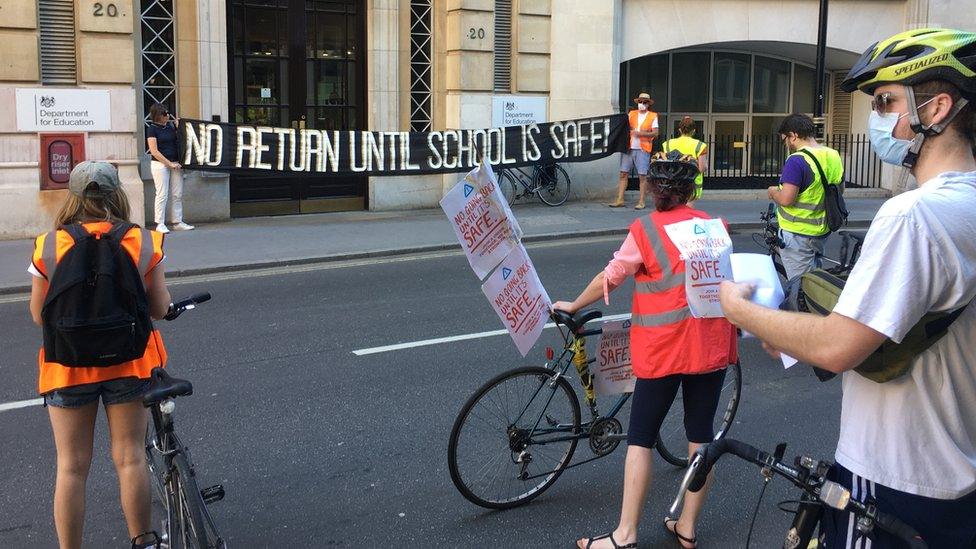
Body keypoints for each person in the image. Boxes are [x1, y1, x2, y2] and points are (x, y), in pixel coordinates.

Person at [719, 28, 976, 548]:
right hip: (959, 467)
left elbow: (837, 347)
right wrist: (795, 334)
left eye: (886, 101)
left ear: (937, 106)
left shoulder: (916, 215)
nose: (878, 116)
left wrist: (738, 310)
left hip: (896, 478)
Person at [556, 152, 738, 549]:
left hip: (664, 352)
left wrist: (573, 305)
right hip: (709, 349)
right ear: (691, 190)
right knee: (700, 436)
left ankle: (625, 534)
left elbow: (612, 275)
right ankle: (687, 528)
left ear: (653, 189)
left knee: (640, 439)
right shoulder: (715, 227)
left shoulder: (646, 229)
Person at [29, 162, 171, 549]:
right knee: (130, 458)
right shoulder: (142, 241)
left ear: (73, 197)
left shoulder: (49, 245)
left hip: (67, 367)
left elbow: (38, 314)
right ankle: (142, 541)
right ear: (116, 195)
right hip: (130, 362)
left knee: (71, 467)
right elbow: (158, 308)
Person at [767, 113, 843, 281]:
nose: (786, 143)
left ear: (793, 135)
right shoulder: (833, 155)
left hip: (797, 233)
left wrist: (773, 192)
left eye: (785, 139)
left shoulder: (796, 160)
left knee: (800, 287)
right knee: (814, 280)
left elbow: (787, 199)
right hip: (821, 230)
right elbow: (839, 190)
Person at [146, 102, 193, 234]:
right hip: (160, 164)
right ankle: (160, 223)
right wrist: (169, 163)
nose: (167, 116)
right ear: (158, 116)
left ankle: (177, 221)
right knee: (162, 194)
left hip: (175, 162)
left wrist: (179, 128)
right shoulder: (152, 129)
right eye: (165, 114)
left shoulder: (171, 127)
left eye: (167, 113)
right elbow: (154, 151)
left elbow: (180, 142)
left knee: (177, 193)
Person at [611, 92, 659, 210]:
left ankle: (641, 201)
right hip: (629, 147)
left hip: (643, 149)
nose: (642, 104)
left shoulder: (652, 116)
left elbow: (656, 133)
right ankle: (620, 199)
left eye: (644, 102)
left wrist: (640, 133)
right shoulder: (631, 114)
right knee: (623, 173)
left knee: (642, 176)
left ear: (648, 104)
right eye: (640, 102)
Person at [661, 116, 707, 205]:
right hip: (691, 182)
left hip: (672, 181)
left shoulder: (667, 144)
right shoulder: (700, 145)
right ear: (693, 131)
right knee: (688, 208)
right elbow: (702, 167)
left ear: (680, 130)